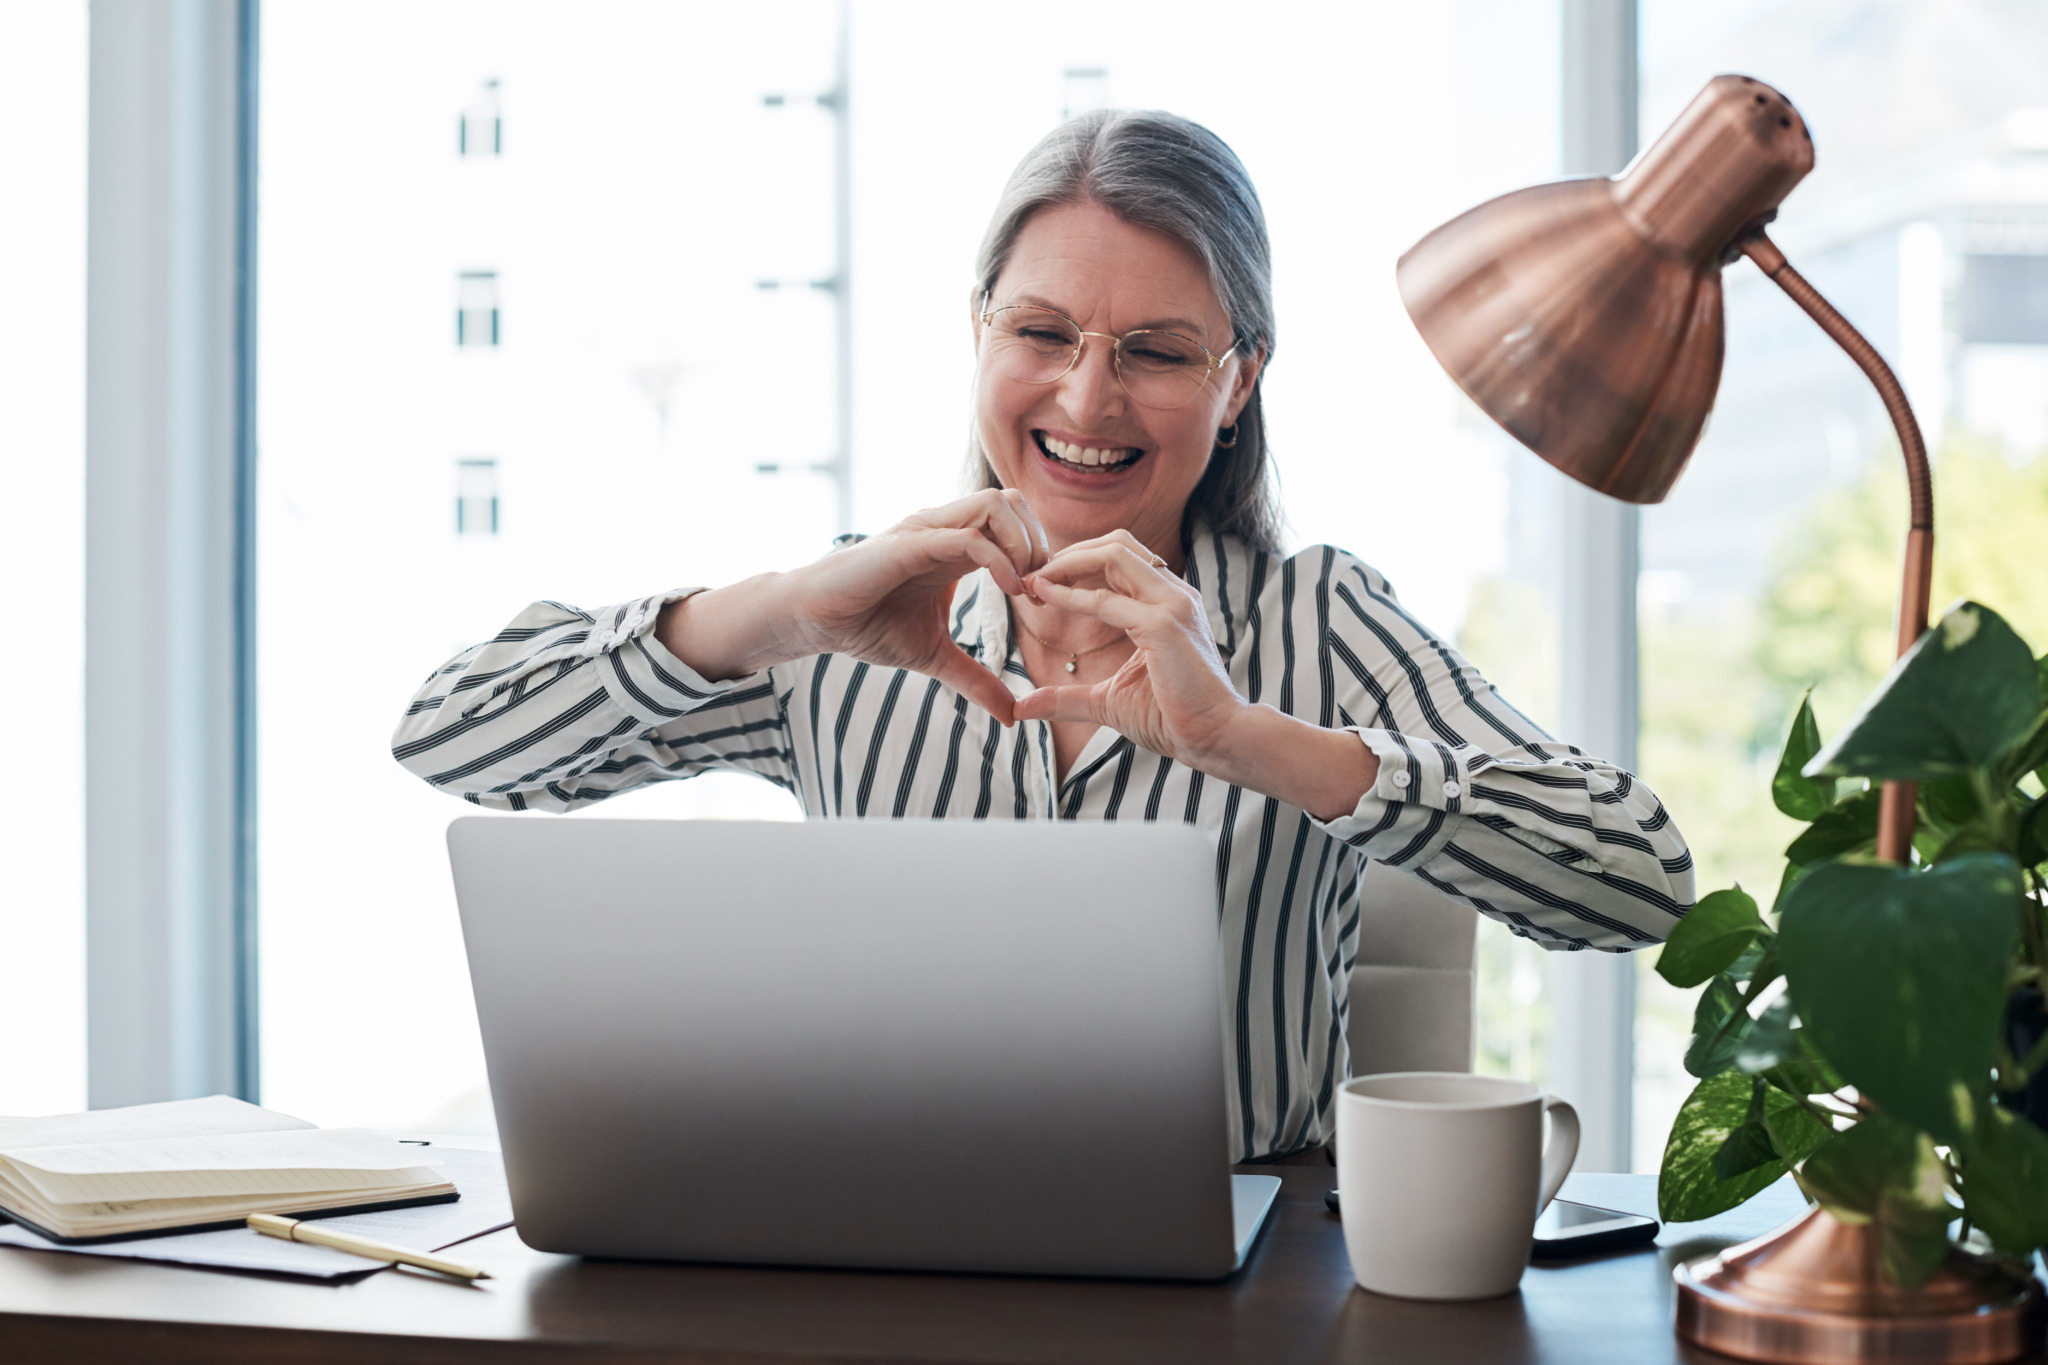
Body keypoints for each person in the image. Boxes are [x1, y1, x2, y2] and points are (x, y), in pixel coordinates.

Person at [393, 109, 1693, 1165]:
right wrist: (774, 610)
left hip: (1241, 1295)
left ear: (1239, 383)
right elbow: (448, 733)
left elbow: (1643, 881)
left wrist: (1254, 742)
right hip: (893, 1275)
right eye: (1042, 332)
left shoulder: (1317, 618)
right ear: (978, 336)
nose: (1087, 396)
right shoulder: (847, 627)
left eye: (1158, 352)